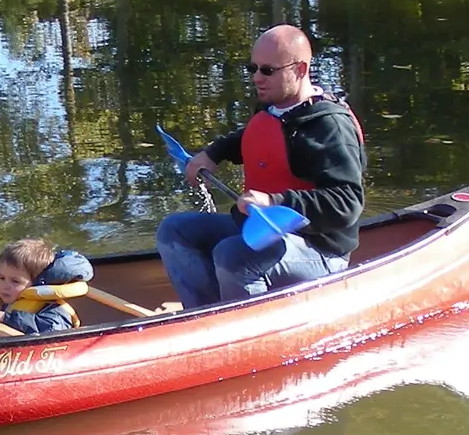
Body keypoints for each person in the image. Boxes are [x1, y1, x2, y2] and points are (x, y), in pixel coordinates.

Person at [155, 24, 364, 308]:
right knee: (174, 230)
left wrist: (273, 201)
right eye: (253, 68)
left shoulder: (330, 127)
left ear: (300, 70)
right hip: (262, 232)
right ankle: (204, 317)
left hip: (320, 251)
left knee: (234, 255)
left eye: (267, 70)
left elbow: (347, 202)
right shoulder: (274, 108)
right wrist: (213, 153)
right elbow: (256, 138)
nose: (256, 78)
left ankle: (245, 331)